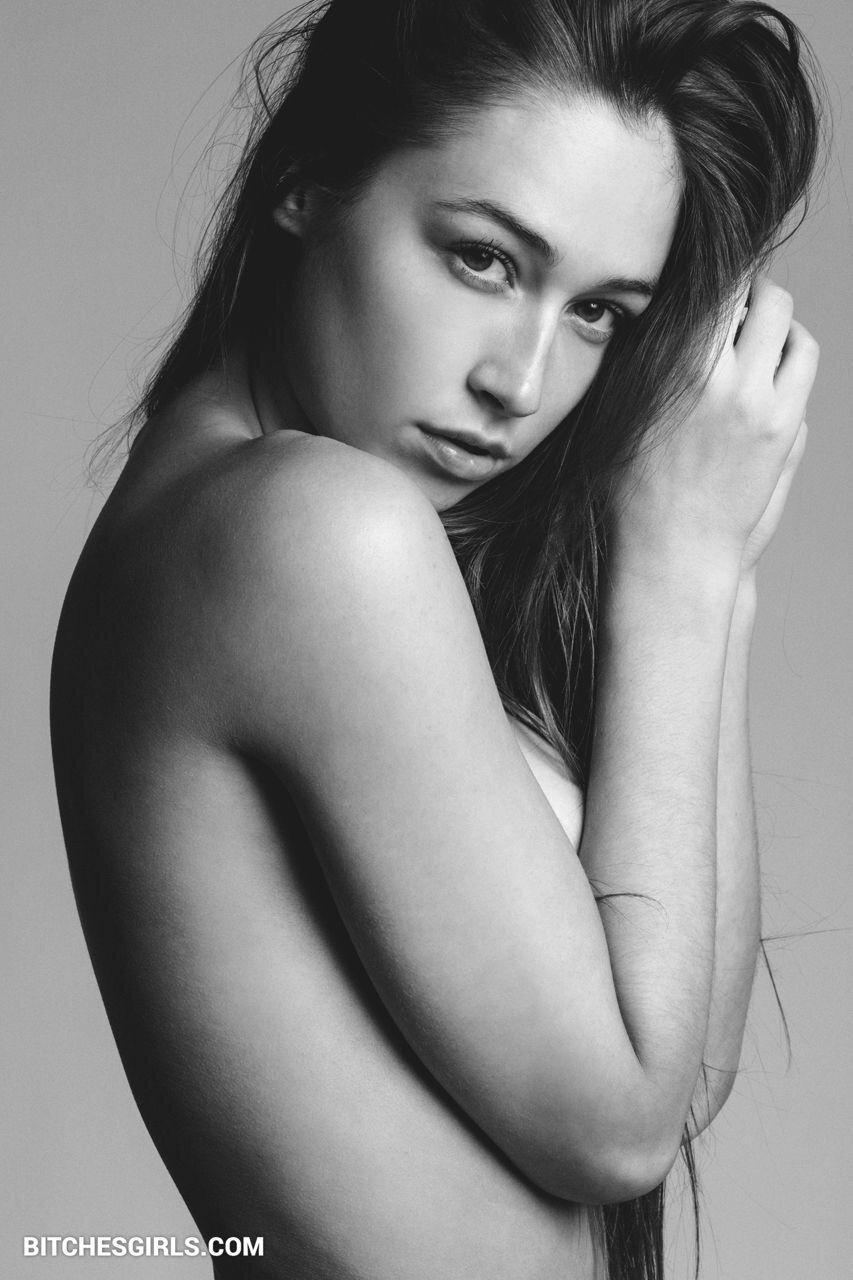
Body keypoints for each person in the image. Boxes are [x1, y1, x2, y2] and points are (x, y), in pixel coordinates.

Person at [50, 1, 824, 1277]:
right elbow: (624, 1127)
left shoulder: (262, 511)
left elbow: (683, 1068)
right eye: (482, 259)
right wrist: (682, 570)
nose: (520, 381)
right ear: (308, 181)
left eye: (599, 312)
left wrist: (713, 560)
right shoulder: (308, 529)